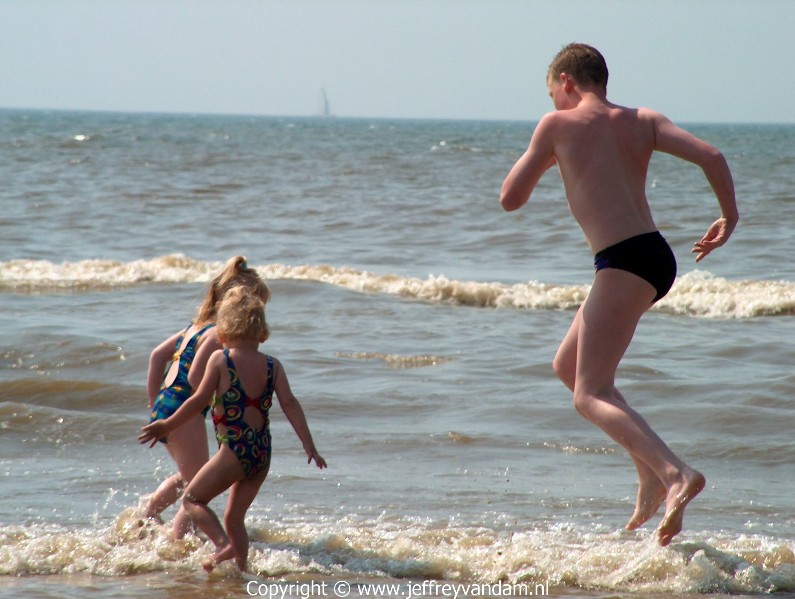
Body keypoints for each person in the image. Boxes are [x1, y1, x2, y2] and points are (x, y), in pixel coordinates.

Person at [499, 43, 738, 546]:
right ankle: (649, 473)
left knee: (588, 393)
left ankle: (676, 475)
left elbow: (509, 200)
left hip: (623, 260)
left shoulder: (556, 125)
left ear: (566, 81)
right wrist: (728, 216)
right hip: (654, 256)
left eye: (552, 94)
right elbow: (711, 155)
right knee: (569, 367)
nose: (554, 103)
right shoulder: (644, 119)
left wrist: (546, 155)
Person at [139, 285, 327, 572]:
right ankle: (242, 571)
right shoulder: (272, 366)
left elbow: (197, 400)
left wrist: (166, 423)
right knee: (234, 518)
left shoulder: (221, 360)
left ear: (222, 332)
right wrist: (309, 445)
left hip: (234, 451)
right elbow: (290, 404)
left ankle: (222, 546)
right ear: (262, 333)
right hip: (261, 455)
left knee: (193, 499)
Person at [144, 256, 271, 539]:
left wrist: (155, 405)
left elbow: (157, 356)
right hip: (184, 410)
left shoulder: (195, 326)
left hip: (167, 404)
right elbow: (193, 380)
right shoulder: (218, 334)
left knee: (191, 474)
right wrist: (218, 392)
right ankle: (178, 539)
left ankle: (149, 513)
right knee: (197, 487)